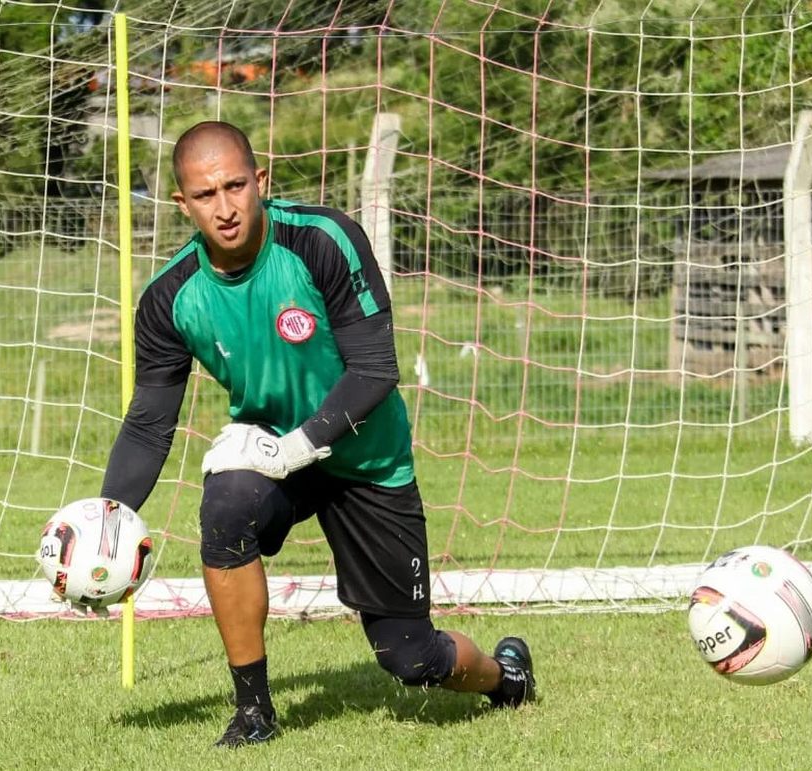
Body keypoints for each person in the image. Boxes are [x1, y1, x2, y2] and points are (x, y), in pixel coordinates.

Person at [101, 120, 536, 748]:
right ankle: (254, 713)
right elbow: (148, 422)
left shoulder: (324, 240)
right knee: (224, 509)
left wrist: (293, 449)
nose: (224, 208)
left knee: (412, 660)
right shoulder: (170, 297)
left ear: (261, 181)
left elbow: (374, 370)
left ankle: (507, 677)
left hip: (366, 458)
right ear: (181, 204)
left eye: (235, 186)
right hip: (273, 449)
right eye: (205, 195)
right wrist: (106, 521)